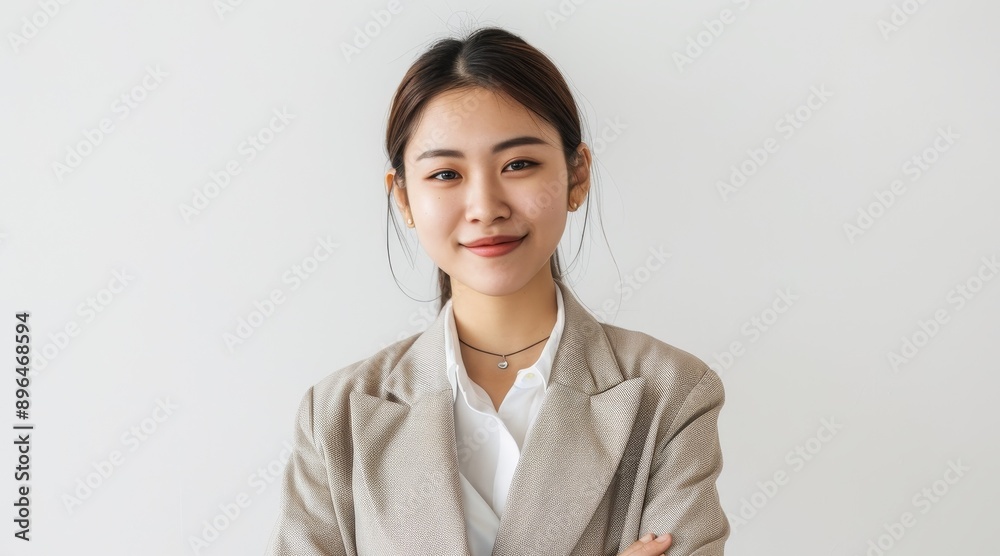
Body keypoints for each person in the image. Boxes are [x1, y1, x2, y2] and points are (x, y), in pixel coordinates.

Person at [264, 26, 729, 556]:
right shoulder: (338, 413)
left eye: (519, 164)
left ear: (577, 176)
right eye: (445, 174)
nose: (485, 206)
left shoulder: (671, 392)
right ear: (404, 199)